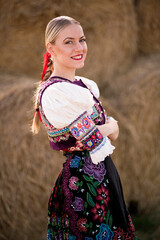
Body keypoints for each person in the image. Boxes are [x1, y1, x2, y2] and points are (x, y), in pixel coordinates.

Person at [32, 16, 137, 240]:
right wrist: (108, 126)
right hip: (82, 183)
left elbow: (108, 133)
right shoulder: (55, 93)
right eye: (69, 42)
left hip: (104, 175)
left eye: (82, 39)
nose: (79, 47)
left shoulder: (84, 86)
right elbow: (92, 139)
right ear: (51, 48)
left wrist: (105, 129)